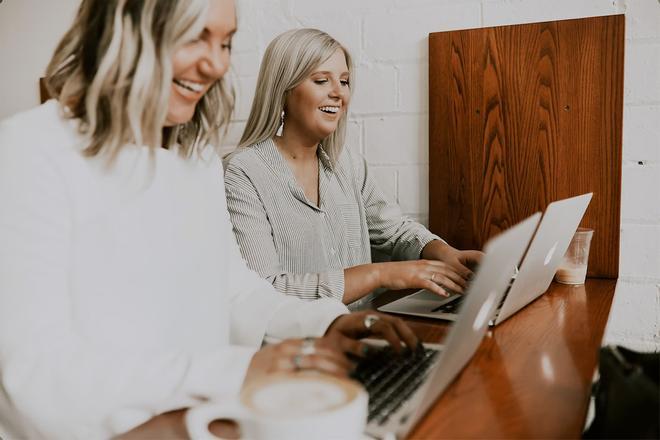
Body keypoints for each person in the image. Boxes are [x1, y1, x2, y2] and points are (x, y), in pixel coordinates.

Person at [0, 2, 417, 438]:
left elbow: (235, 291)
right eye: (195, 36)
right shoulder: (30, 150)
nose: (216, 63)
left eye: (226, 42)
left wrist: (325, 323)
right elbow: (33, 374)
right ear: (124, 29)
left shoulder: (196, 160)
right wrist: (237, 371)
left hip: (204, 421)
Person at [224, 28, 483, 306]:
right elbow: (266, 291)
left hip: (364, 333)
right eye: (322, 80)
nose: (338, 93)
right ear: (283, 89)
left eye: (344, 81)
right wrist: (378, 275)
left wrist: (444, 252)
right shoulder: (242, 172)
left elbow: (394, 231)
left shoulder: (347, 164)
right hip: (298, 345)